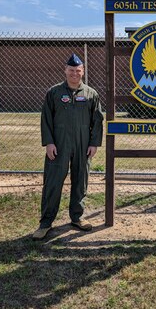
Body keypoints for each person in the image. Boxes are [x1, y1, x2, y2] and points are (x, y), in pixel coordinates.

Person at [33, 53, 103, 240]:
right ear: (65, 70)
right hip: (59, 144)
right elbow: (46, 119)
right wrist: (49, 142)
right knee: (53, 183)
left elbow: (97, 121)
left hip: (83, 145)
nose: (74, 73)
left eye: (78, 70)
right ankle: (45, 223)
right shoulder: (54, 93)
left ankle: (77, 217)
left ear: (83, 71)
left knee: (80, 181)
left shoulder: (91, 94)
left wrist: (94, 143)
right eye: (71, 70)